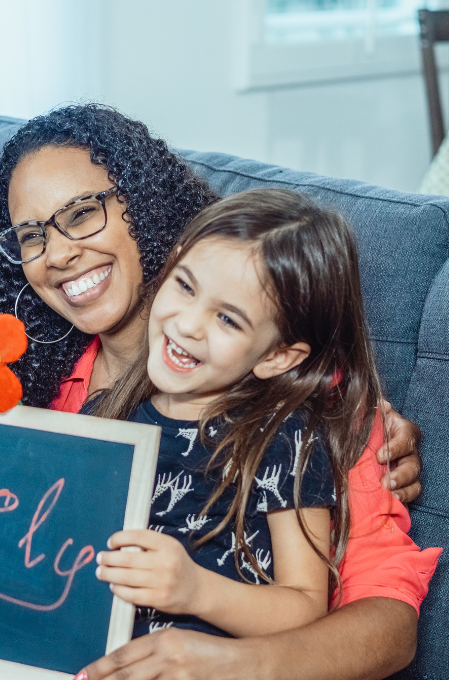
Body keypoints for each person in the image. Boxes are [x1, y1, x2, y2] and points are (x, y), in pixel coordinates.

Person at [0, 104, 438, 680]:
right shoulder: (33, 385)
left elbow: (385, 623)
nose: (58, 253)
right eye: (32, 236)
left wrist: (225, 660)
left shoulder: (303, 410)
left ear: (144, 203)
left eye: (82, 213)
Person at [89, 190, 375, 639]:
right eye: (185, 285)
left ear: (279, 357)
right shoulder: (107, 413)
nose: (187, 324)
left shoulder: (282, 435)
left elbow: (305, 604)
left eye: (228, 320)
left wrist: (195, 590)